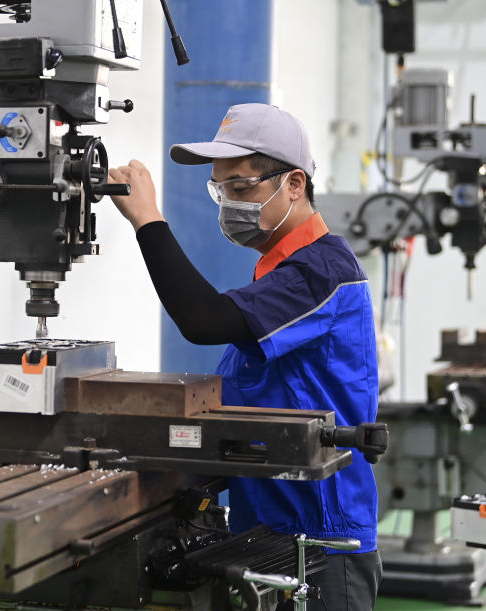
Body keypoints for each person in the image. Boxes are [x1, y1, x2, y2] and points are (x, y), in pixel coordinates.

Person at [108, 103, 382, 609]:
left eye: (240, 187)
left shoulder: (322, 273)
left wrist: (147, 219)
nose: (229, 203)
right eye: (220, 190)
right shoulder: (277, 276)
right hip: (268, 533)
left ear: (294, 184)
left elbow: (203, 321)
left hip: (318, 545)